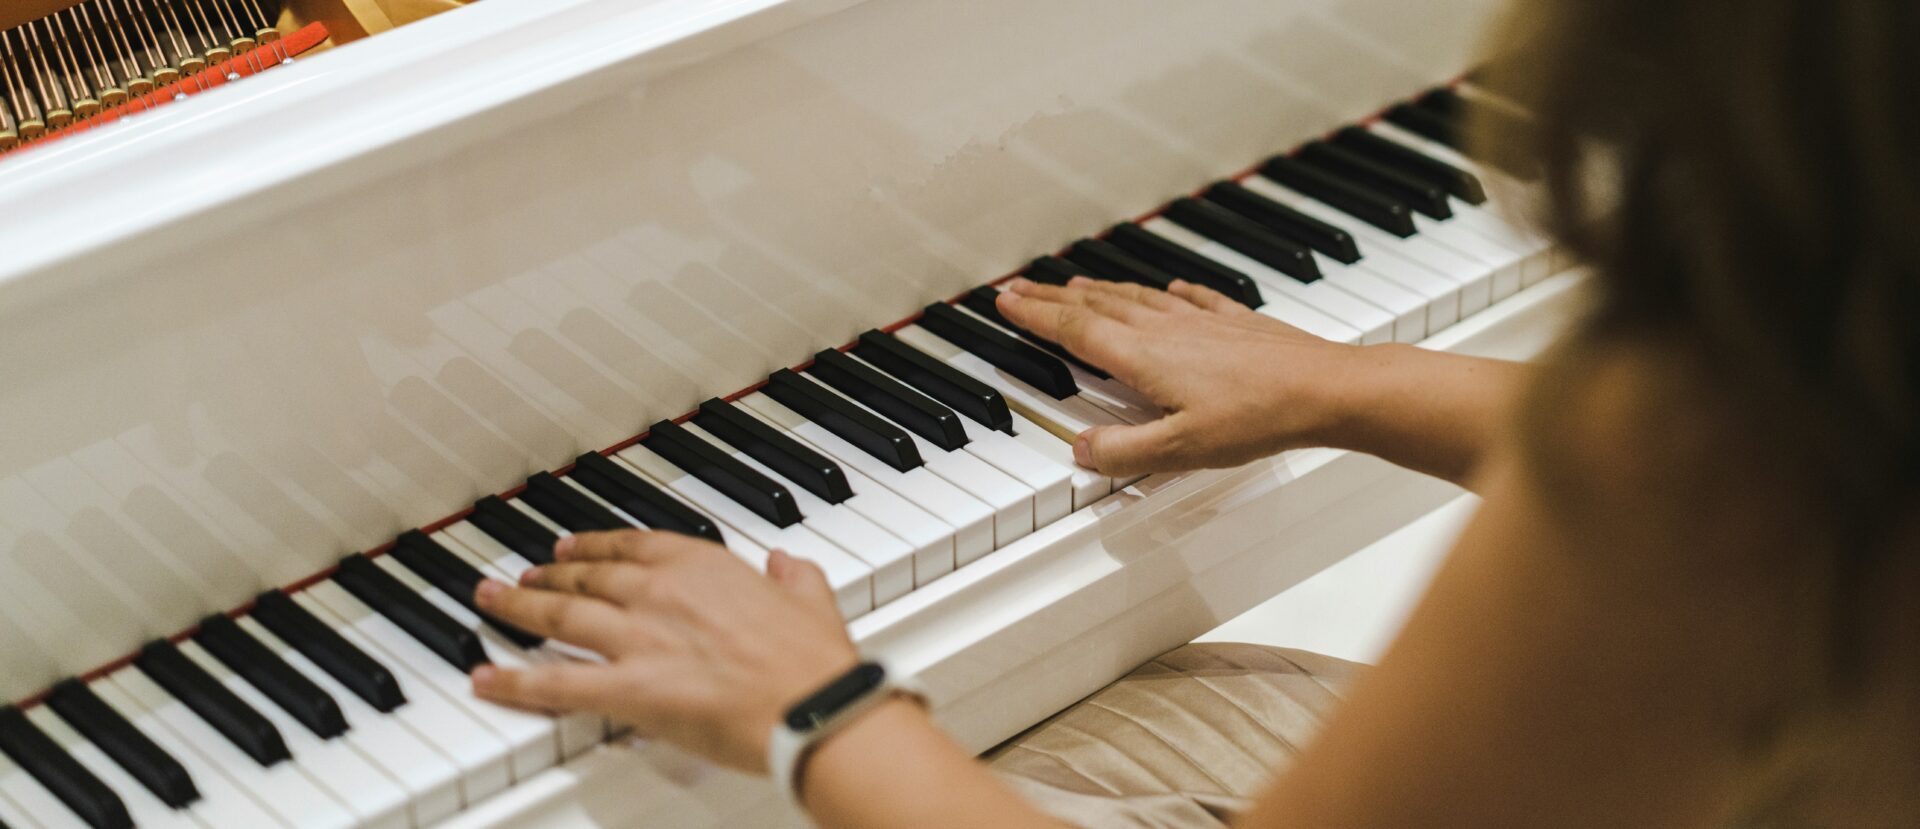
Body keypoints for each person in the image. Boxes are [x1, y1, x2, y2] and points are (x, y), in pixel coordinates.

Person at [465, 1, 1920, 826]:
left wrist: (813, 708)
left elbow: (1681, 481)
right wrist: (1342, 380)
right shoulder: (1819, 399)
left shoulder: (1705, 492)